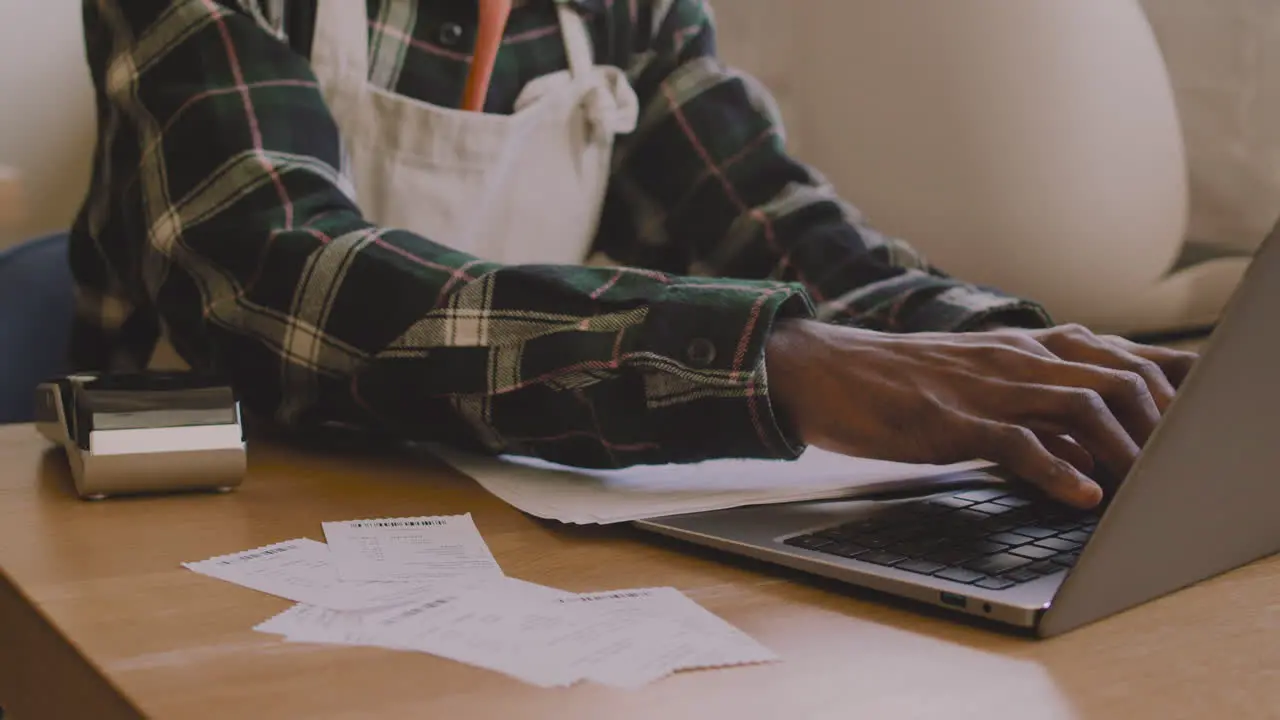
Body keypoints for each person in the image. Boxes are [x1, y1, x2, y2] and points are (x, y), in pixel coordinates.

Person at [72, 0, 1196, 510]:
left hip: (482, 519)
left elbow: (778, 224)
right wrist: (770, 358)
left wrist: (1022, 356)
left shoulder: (630, 10)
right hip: (207, 513)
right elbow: (284, 279)